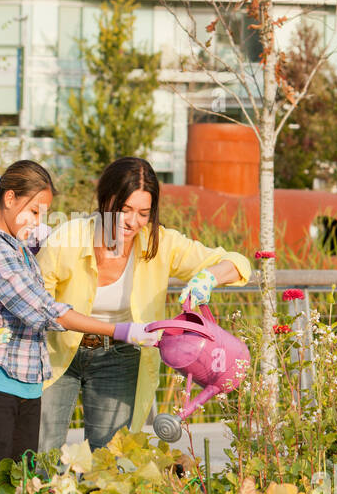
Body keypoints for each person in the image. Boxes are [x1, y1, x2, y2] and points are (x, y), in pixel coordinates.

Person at [36, 156, 252, 452]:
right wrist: (118, 329)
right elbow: (41, 308)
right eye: (124, 210)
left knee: (108, 457)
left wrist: (209, 278)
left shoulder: (159, 242)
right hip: (57, 353)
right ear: (105, 199)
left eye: (143, 213)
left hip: (119, 359)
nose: (132, 222)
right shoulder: (67, 239)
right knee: (42, 450)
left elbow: (238, 263)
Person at [0, 159, 161, 484]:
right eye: (34, 212)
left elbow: (57, 251)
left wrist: (46, 236)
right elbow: (41, 310)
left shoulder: (20, 247)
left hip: (28, 384)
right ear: (9, 198)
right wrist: (119, 330)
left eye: (44, 214)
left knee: (27, 486)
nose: (38, 222)